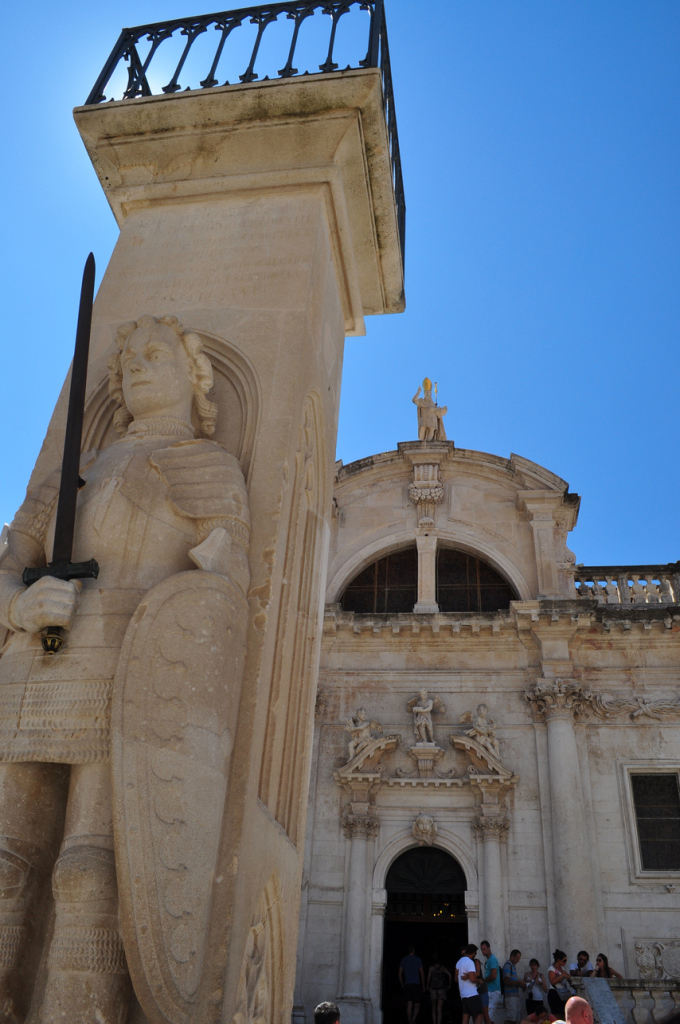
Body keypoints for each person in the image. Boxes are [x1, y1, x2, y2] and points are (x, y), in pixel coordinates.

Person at [0, 314, 251, 1020]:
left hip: (132, 680)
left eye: (156, 355)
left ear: (192, 375)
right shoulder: (67, 478)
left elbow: (220, 597)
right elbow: (7, 563)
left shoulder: (209, 469)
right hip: (30, 672)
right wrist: (19, 607)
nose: (138, 365)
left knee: (90, 873)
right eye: (128, 358)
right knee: (4, 866)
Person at [457, 943, 483, 1024]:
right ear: (474, 952)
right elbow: (472, 978)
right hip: (472, 994)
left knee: (465, 1017)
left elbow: (456, 978)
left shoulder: (459, 962)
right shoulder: (469, 962)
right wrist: (479, 981)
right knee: (479, 1015)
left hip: (463, 994)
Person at [399, 944, 425, 1024]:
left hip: (407, 984)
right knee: (417, 1004)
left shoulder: (404, 960)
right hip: (416, 984)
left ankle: (409, 1020)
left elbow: (399, 973)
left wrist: (402, 984)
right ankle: (413, 1019)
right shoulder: (417, 959)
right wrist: (423, 985)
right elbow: (422, 973)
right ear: (413, 951)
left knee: (409, 1004)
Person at [480, 939, 502, 1023]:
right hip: (490, 991)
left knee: (488, 1017)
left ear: (489, 948)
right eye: (482, 949)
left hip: (493, 991)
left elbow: (493, 975)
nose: (483, 951)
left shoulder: (492, 959)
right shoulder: (489, 960)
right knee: (487, 1017)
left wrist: (483, 981)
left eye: (484, 949)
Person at [503, 949, 526, 1024]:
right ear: (512, 957)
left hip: (515, 996)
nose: (518, 960)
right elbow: (507, 981)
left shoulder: (513, 967)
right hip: (510, 997)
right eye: (517, 958)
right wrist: (519, 982)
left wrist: (521, 984)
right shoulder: (507, 966)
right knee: (510, 1018)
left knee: (515, 1018)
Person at [548, 950, 573, 1017]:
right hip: (554, 993)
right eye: (564, 961)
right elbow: (552, 981)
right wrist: (562, 976)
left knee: (563, 1014)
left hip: (562, 993)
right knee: (556, 1015)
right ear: (558, 960)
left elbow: (568, 976)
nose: (565, 962)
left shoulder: (562, 968)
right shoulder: (552, 968)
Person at [427, 955, 452, 1024]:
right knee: (439, 1009)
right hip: (441, 989)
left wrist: (427, 985)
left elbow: (429, 977)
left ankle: (434, 1022)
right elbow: (449, 975)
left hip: (433, 989)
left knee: (433, 1008)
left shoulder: (431, 968)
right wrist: (449, 984)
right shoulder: (443, 968)